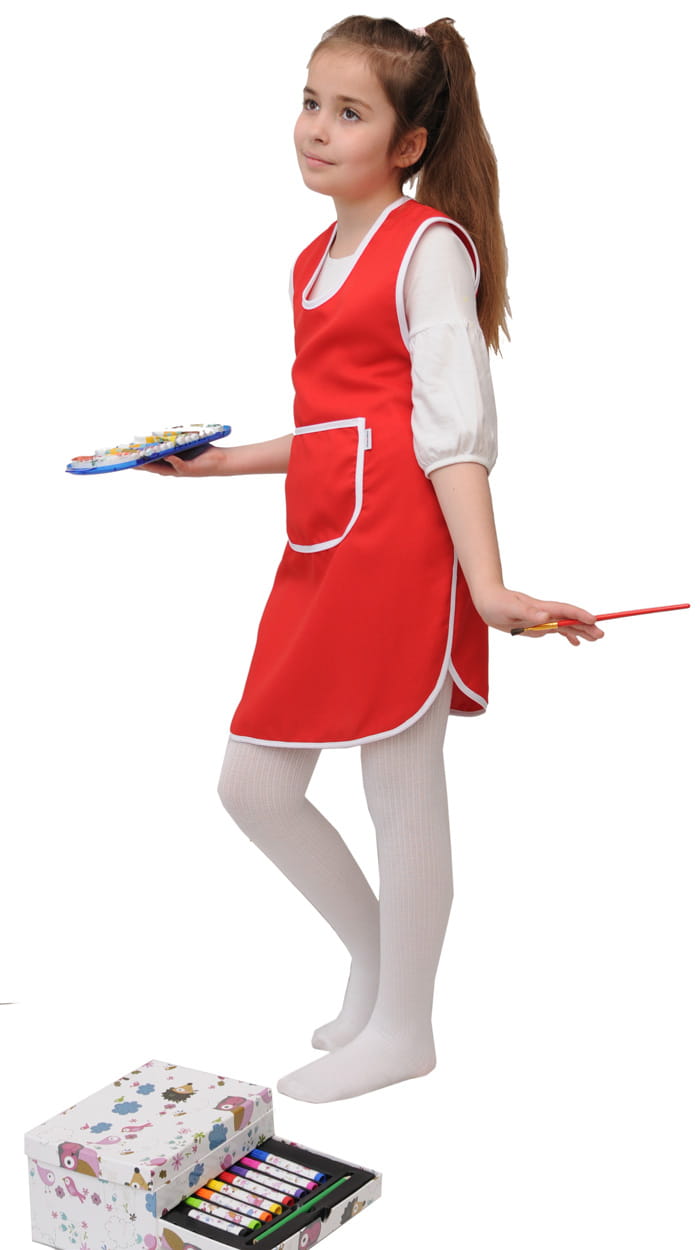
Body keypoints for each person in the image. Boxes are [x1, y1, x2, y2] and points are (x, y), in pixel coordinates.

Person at [142, 15, 604, 1102]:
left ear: (408, 144)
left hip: (402, 549)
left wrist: (486, 585)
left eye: (349, 113)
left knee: (399, 782)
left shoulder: (428, 245)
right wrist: (223, 464)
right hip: (321, 546)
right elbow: (340, 423)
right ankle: (377, 960)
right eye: (310, 101)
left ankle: (404, 1024)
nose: (316, 128)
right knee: (254, 785)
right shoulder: (313, 261)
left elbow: (451, 428)